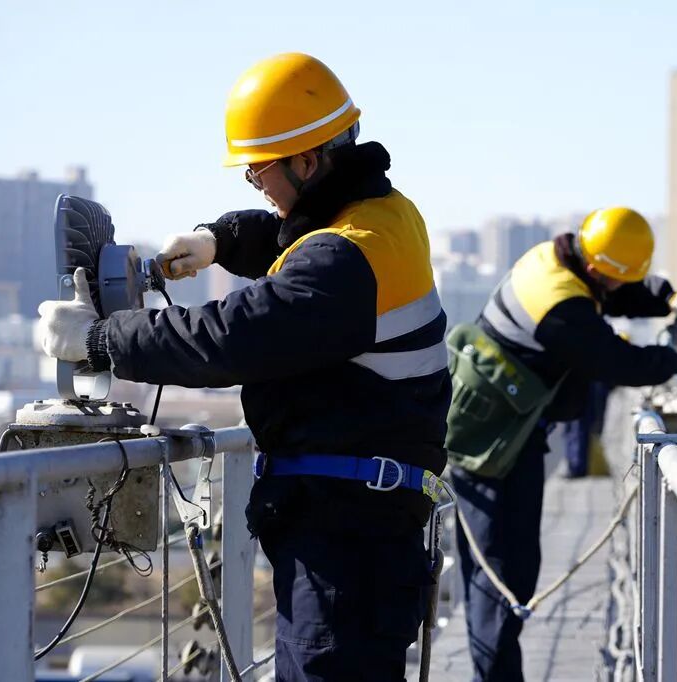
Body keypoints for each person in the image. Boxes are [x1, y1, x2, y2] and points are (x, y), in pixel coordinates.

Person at [37, 52, 450, 681]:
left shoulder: (345, 262)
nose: (254, 183)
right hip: (360, 526)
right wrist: (217, 241)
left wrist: (98, 338)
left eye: (259, 169)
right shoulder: (387, 216)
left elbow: (229, 337)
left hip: (346, 546)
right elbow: (293, 234)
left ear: (307, 161)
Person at [449, 206, 677, 681]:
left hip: (501, 428)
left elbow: (621, 291)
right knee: (502, 571)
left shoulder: (555, 258)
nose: (615, 288)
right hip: (497, 445)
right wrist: (676, 360)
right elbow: (616, 361)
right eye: (612, 279)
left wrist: (675, 299)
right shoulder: (561, 306)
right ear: (593, 268)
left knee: (502, 570)